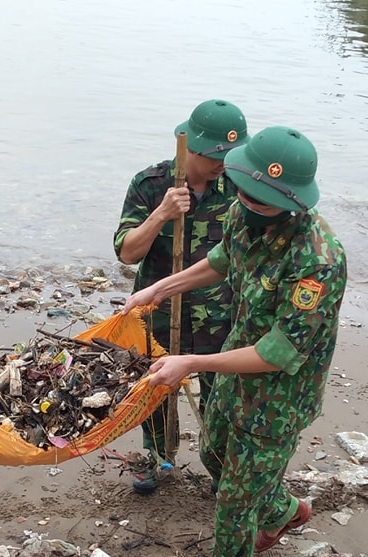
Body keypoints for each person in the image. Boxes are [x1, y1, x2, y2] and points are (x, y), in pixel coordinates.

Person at [122, 126, 347, 557]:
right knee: (215, 458)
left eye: (259, 200)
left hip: (279, 397)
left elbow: (279, 352)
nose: (244, 202)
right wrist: (158, 289)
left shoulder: (317, 260)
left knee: (234, 499)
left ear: (291, 201)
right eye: (243, 192)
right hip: (233, 368)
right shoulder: (246, 215)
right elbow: (220, 261)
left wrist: (191, 362)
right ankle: (286, 509)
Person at [113, 99, 247, 494]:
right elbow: (127, 252)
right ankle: (159, 459)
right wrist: (161, 214)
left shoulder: (239, 185)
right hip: (158, 310)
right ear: (188, 145)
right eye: (213, 156)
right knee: (154, 390)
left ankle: (220, 470)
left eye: (228, 155)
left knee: (219, 396)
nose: (221, 163)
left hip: (220, 312)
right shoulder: (151, 184)